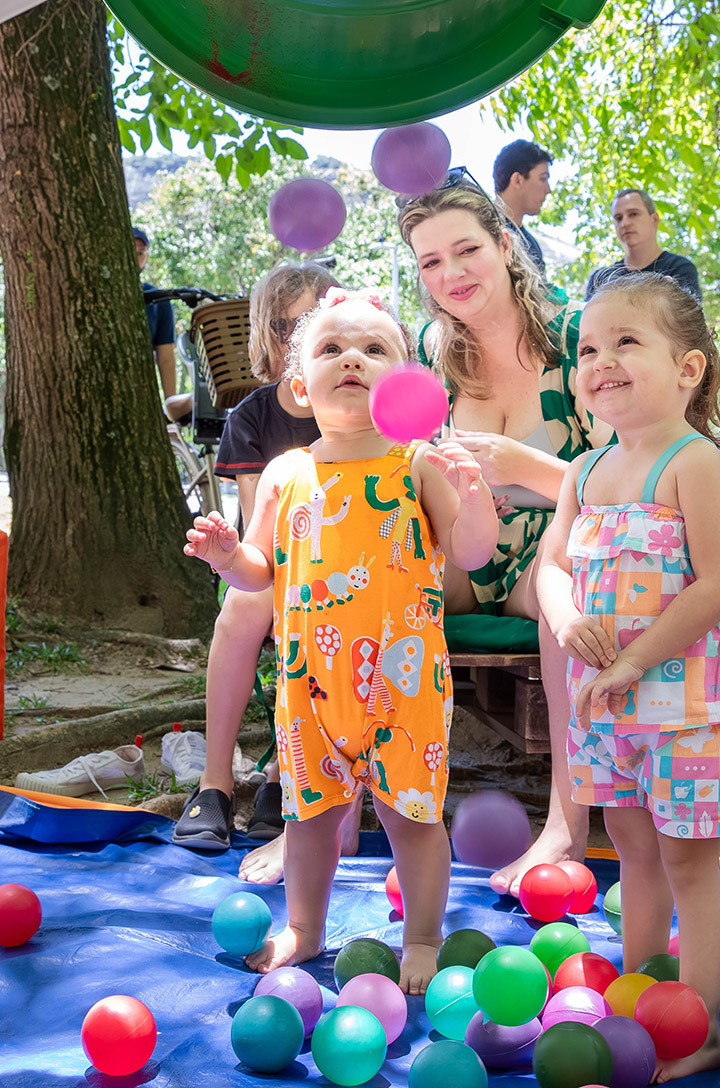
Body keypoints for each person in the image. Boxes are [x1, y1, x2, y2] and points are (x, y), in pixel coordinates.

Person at [184, 289, 498, 992]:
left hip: (404, 688)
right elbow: (262, 571)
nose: (352, 357)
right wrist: (228, 556)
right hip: (309, 685)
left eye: (374, 348)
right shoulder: (285, 473)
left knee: (411, 818)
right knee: (310, 818)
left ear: (407, 381)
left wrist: (473, 495)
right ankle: (305, 927)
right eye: (331, 349)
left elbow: (472, 552)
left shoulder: (417, 463)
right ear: (300, 386)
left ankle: (421, 935)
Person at [537, 274, 720, 1082]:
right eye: (588, 348)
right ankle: (642, 991)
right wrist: (565, 619)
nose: (600, 360)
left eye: (626, 341)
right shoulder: (584, 471)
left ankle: (694, 1023)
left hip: (687, 710)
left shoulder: (692, 462)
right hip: (608, 711)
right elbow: (551, 566)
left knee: (687, 860)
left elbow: (714, 583)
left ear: (688, 368)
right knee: (630, 847)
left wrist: (637, 656)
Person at [398, 179, 613, 894]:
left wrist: (524, 465)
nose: (451, 274)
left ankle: (564, 824)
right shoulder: (432, 351)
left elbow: (627, 483)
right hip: (466, 544)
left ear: (506, 246)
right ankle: (329, 802)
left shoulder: (579, 338)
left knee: (567, 594)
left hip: (550, 549)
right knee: (379, 579)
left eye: (466, 250)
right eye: (430, 263)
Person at [172, 261, 343, 863]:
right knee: (245, 609)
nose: (308, 343)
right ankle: (215, 781)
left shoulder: (357, 413)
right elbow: (257, 537)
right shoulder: (251, 419)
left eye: (320, 326)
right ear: (271, 339)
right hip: (270, 566)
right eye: (292, 328)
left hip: (351, 573)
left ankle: (285, 776)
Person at [586, 189, 702, 303]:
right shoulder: (600, 279)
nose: (625, 223)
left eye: (633, 214)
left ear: (654, 219)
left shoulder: (679, 269)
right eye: (618, 218)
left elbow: (685, 319)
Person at [492, 139, 553, 278]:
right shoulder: (484, 232)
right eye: (542, 179)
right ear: (517, 180)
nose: (548, 189)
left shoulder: (532, 245)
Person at [133, 226, 178, 401]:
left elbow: (166, 358)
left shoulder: (159, 301)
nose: (135, 258)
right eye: (131, 251)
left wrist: (171, 407)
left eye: (140, 253)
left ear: (146, 256)